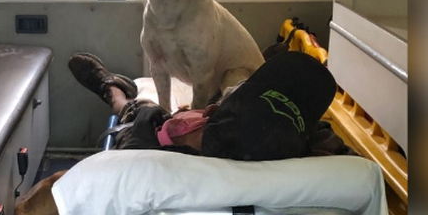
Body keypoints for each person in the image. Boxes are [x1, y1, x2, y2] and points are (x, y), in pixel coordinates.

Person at [68, 51, 355, 161]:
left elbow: (140, 131)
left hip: (166, 124)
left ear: (211, 112)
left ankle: (113, 91)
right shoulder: (301, 142)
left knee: (139, 107)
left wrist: (152, 118)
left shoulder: (163, 143)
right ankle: (116, 91)